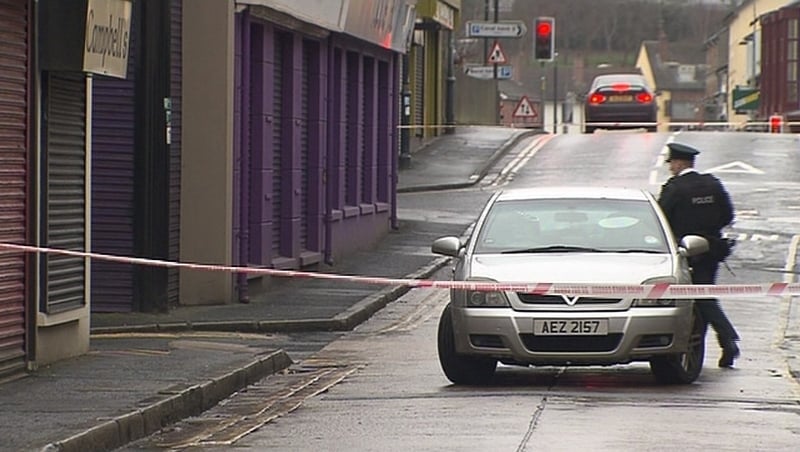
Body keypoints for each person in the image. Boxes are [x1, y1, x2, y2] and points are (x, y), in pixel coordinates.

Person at [658, 142, 740, 368]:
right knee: (704, 295)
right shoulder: (713, 184)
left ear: (679, 163)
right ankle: (710, 347)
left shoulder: (674, 188)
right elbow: (728, 215)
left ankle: (728, 339)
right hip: (712, 249)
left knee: (701, 298)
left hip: (684, 251)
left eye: (672, 163)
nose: (671, 168)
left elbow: (661, 219)